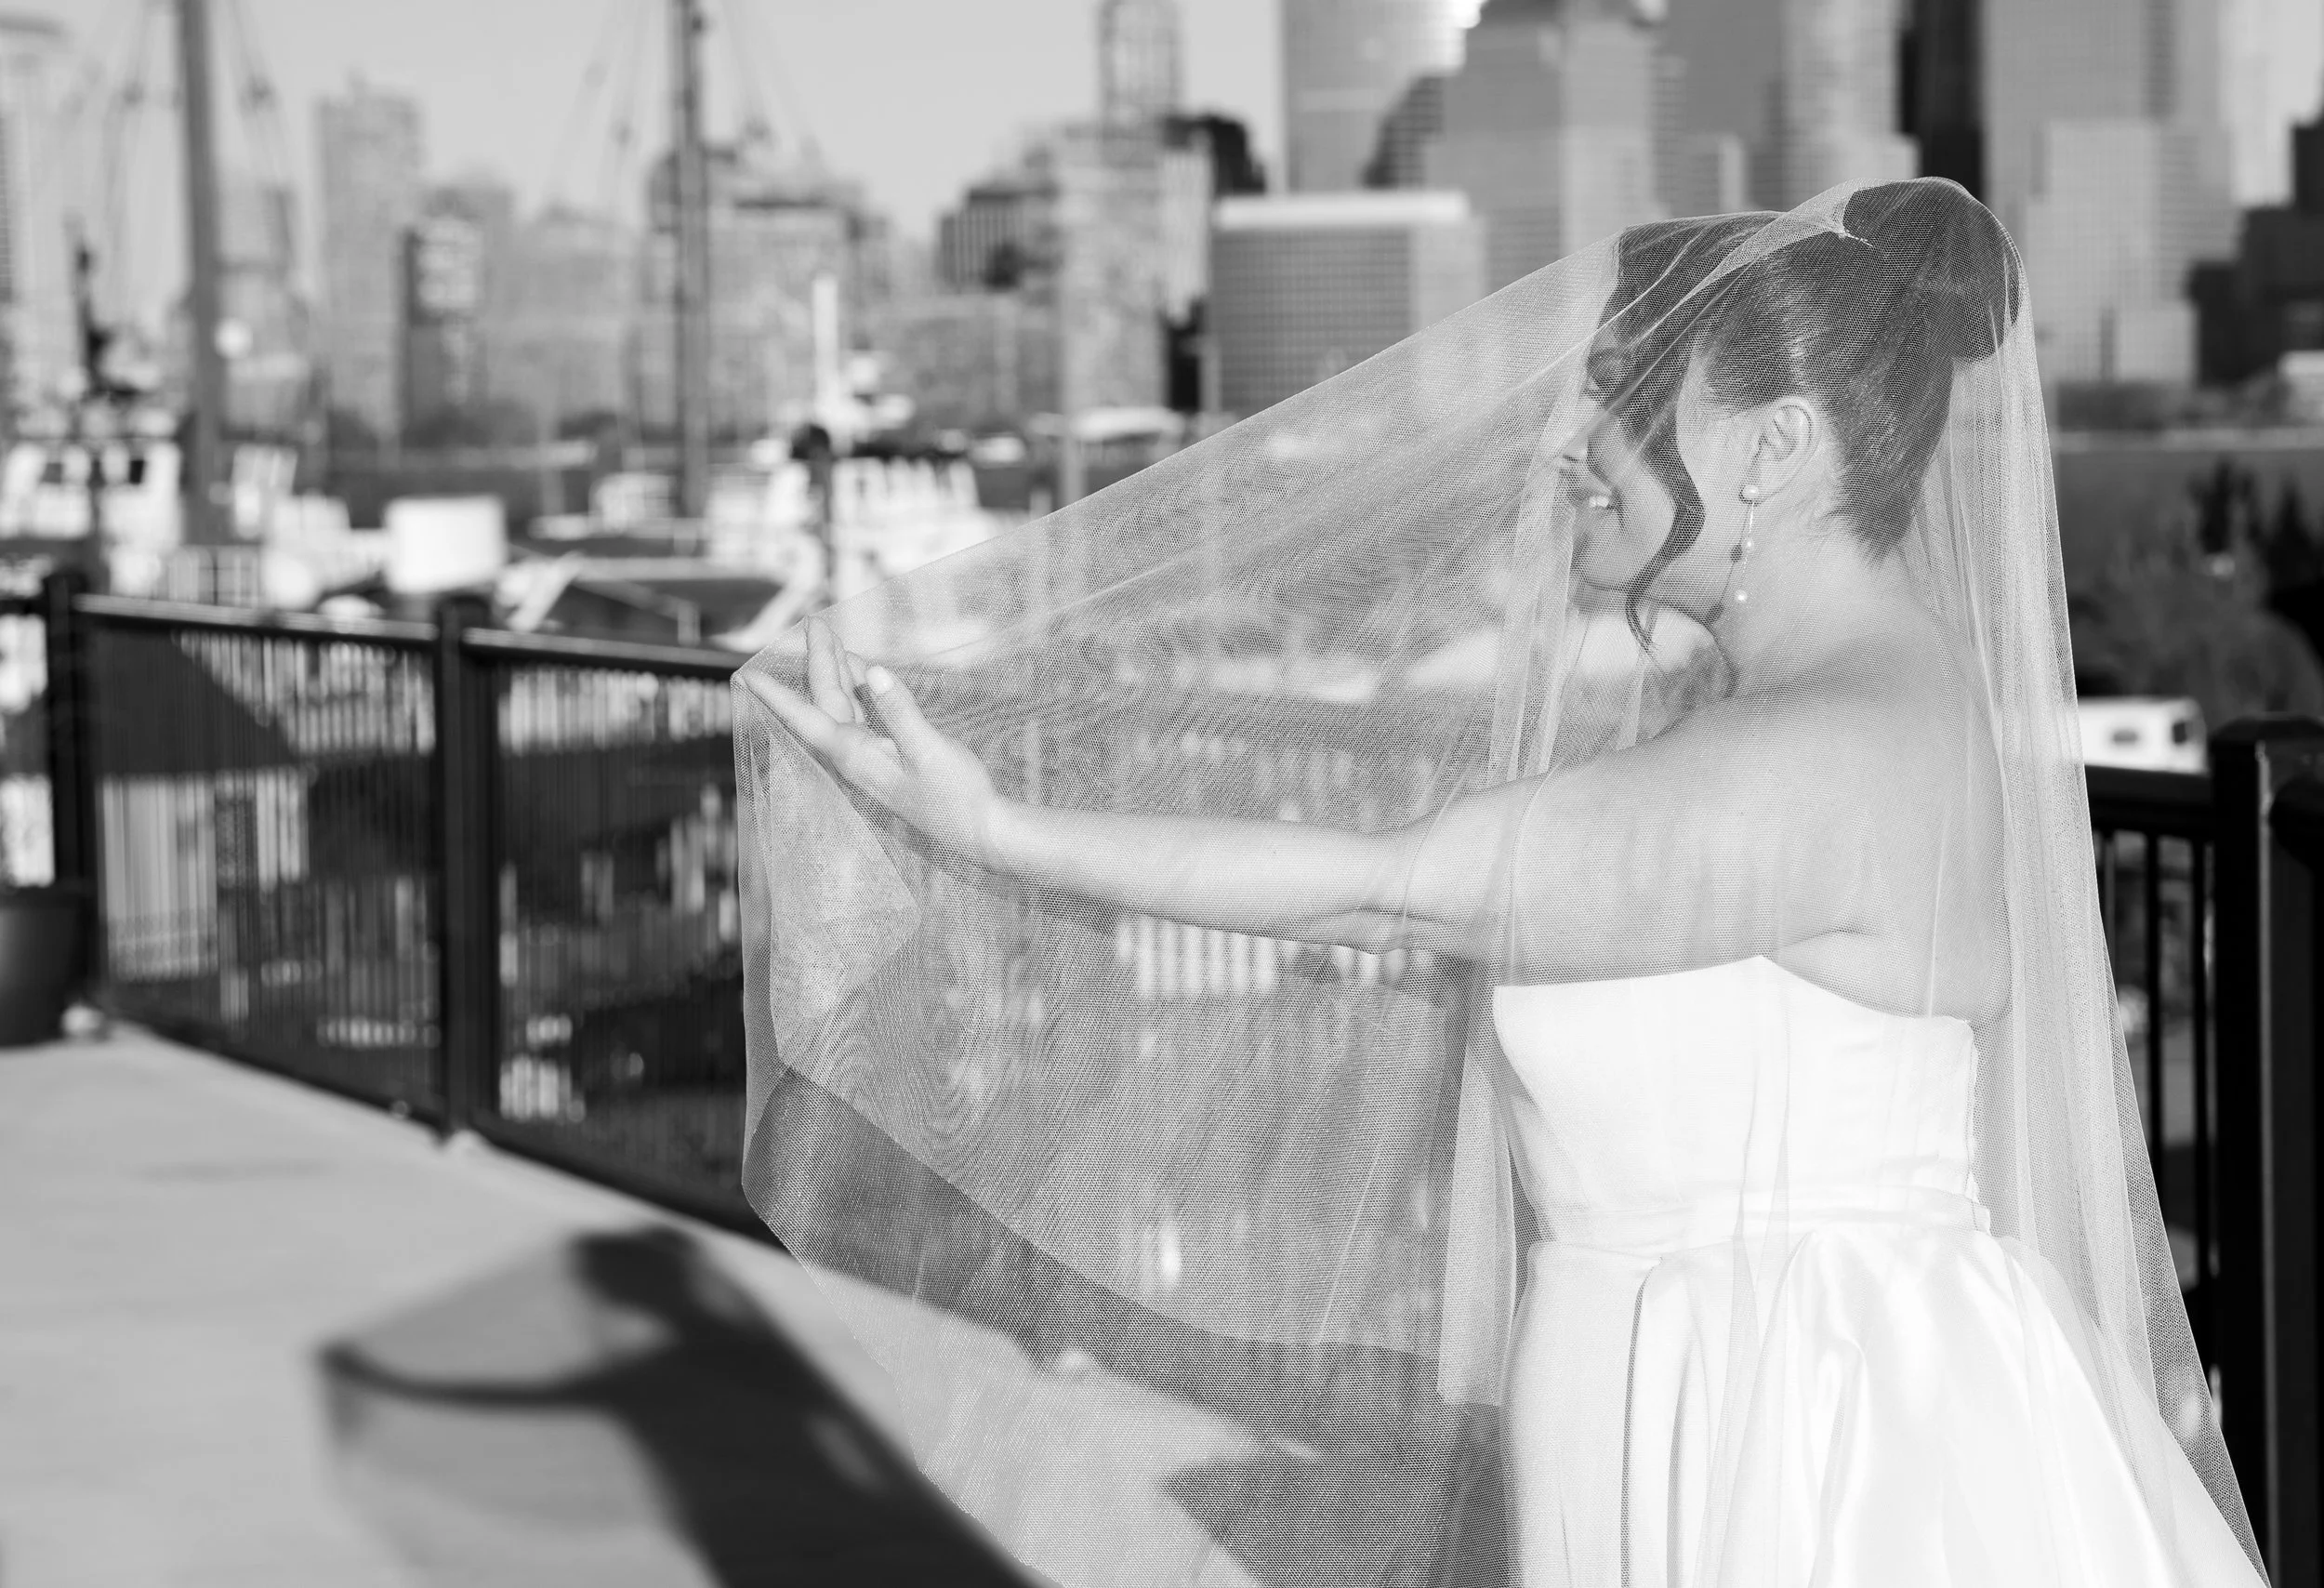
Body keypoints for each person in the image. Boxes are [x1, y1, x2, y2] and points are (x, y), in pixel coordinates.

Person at [733, 180, 2266, 1585]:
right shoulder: (1828, 706)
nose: (1566, 441)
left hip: (1803, 1443)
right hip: (1731, 1392)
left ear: (1774, 446)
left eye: (1623, 395)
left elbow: (1390, 892)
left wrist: (1003, 829)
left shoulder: (1827, 748)